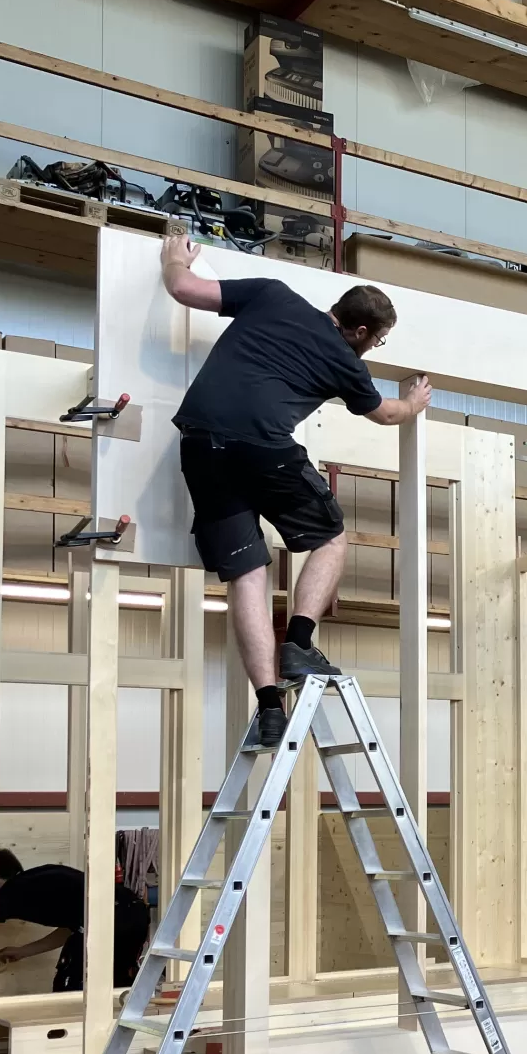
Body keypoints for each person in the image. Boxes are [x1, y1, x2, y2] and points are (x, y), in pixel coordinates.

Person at [159, 233, 435, 745]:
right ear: (358, 330)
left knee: (247, 574)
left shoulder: (272, 294)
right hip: (261, 446)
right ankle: (300, 643)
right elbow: (386, 414)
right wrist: (414, 402)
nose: (372, 349)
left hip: (200, 443)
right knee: (331, 537)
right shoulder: (346, 362)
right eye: (375, 342)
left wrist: (175, 256)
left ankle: (268, 706)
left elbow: (183, 289)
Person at [0, 849, 151, 993]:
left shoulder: (12, 890)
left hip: (116, 915)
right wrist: (23, 951)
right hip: (134, 912)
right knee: (114, 985)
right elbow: (75, 926)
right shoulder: (42, 881)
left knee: (72, 985)